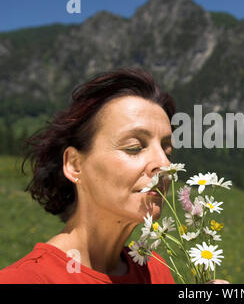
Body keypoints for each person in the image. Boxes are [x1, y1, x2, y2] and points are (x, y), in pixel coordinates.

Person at [0, 68, 178, 284]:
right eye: (134, 147)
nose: (165, 164)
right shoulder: (25, 279)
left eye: (167, 150)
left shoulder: (156, 271)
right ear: (75, 165)